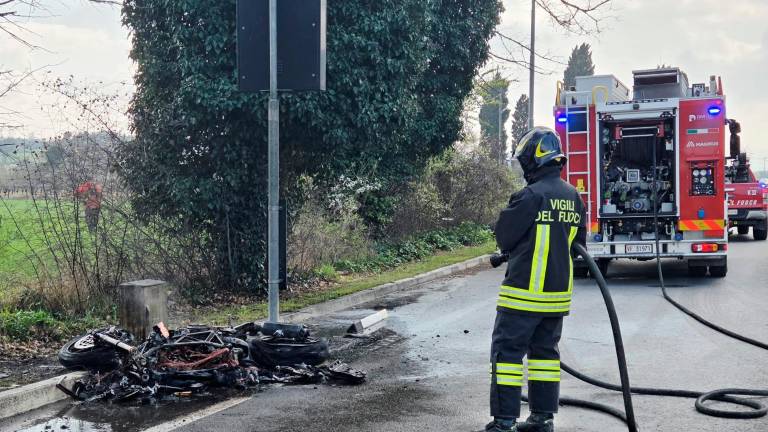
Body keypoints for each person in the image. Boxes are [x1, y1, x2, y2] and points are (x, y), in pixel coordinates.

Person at [481, 127, 586, 432]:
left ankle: (504, 422)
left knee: (506, 356)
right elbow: (579, 246)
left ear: (534, 159)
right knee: (544, 358)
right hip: (556, 299)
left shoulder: (530, 195)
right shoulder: (572, 196)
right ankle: (542, 419)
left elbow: (504, 236)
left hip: (522, 297)